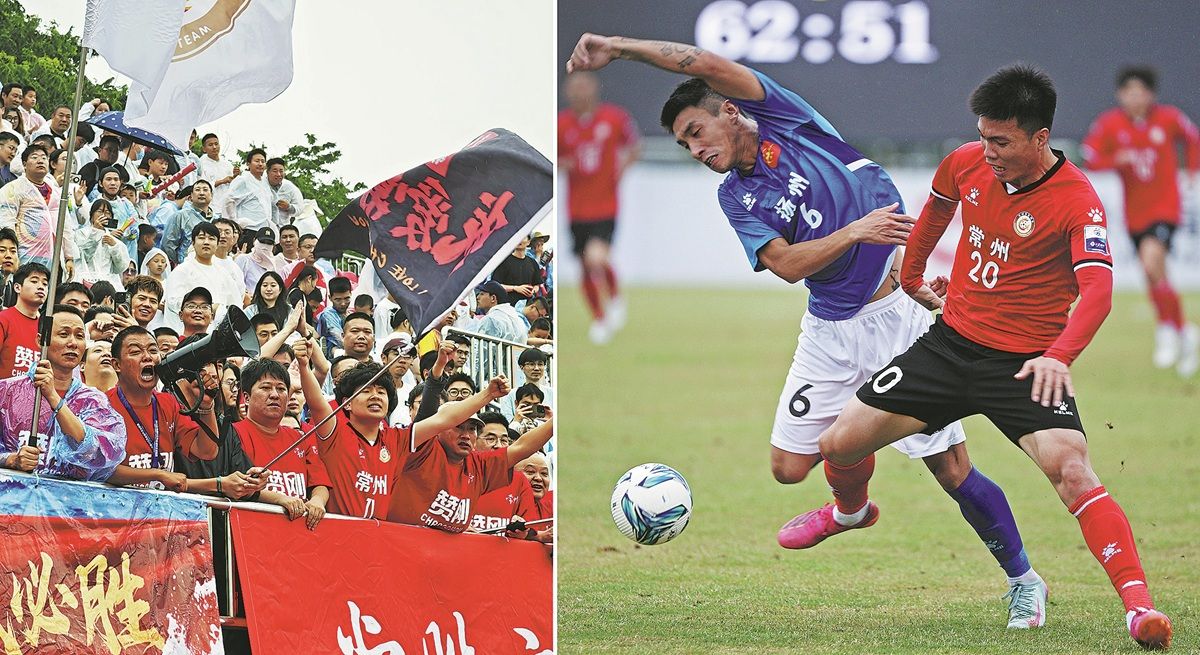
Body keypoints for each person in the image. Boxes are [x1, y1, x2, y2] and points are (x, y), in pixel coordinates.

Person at [568, 33, 1051, 629]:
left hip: (893, 324)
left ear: (730, 110)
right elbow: (788, 266)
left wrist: (618, 47)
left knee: (950, 470)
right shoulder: (736, 195)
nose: (693, 148)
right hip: (827, 328)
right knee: (788, 468)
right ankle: (852, 511)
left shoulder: (786, 119)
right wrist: (856, 232)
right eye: (681, 143)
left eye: (695, 131)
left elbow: (702, 61)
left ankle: (1024, 581)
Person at [788, 65, 1170, 649]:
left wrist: (1060, 356)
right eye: (983, 136)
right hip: (948, 347)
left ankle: (1139, 610)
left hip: (1027, 365)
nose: (986, 151)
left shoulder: (1077, 201)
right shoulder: (967, 161)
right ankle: (849, 513)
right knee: (838, 445)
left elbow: (1098, 291)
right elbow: (936, 212)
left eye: (1001, 141)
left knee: (1071, 471)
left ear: (1040, 138)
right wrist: (913, 278)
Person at [1081, 66, 1200, 378]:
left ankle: (1167, 329)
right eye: (1128, 92)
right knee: (1154, 276)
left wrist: (1192, 171)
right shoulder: (1111, 124)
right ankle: (1184, 331)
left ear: (1151, 95)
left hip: (1166, 208)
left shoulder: (1169, 118)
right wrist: (1114, 161)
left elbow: (1193, 138)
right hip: (1135, 214)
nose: (1135, 98)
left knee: (1151, 263)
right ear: (1121, 95)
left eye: (1140, 92)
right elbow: (1091, 156)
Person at [0, 305, 125, 481]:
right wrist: (10, 459)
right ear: (41, 340)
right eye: (64, 334)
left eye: (80, 336)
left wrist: (53, 397)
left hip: (71, 506)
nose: (73, 343)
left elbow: (102, 452)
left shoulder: (93, 400)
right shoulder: (6, 392)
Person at [559, 71, 639, 344]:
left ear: (594, 90)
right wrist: (564, 164)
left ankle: (614, 297)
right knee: (584, 265)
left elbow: (634, 147)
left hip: (606, 205)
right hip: (576, 209)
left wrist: (621, 170)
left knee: (597, 258)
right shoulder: (562, 124)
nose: (579, 93)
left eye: (584, 87)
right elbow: (556, 158)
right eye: (574, 89)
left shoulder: (614, 118)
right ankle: (599, 318)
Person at [104, 326, 220, 491]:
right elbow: (102, 469)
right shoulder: (102, 405)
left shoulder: (168, 403)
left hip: (160, 512)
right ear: (116, 364)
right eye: (135, 352)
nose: (147, 357)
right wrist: (158, 475)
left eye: (153, 350)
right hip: (117, 511)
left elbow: (206, 452)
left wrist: (207, 407)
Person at [232, 358, 331, 530]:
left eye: (281, 389)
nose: (275, 395)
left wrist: (318, 501)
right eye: (265, 388)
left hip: (298, 538)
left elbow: (320, 483)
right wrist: (279, 499)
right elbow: (236, 486)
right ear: (246, 397)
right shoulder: (233, 433)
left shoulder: (300, 438)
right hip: (251, 534)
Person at [0, 145, 78, 275]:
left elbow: (65, 226)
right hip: (24, 254)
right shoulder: (13, 188)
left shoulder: (57, 193)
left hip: (53, 257)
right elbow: (6, 223)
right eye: (34, 157)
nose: (40, 161)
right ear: (24, 164)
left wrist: (69, 257)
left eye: (44, 158)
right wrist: (11, 254)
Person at [163, 221, 246, 331]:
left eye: (211, 239)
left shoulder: (224, 274)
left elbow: (236, 306)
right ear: (193, 242)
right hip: (186, 334)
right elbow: (174, 302)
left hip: (217, 335)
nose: (206, 242)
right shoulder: (182, 271)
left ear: (217, 244)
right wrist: (206, 309)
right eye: (202, 238)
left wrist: (220, 311)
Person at [0, 262, 47, 377]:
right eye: (34, 281)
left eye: (45, 284)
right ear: (17, 287)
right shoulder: (3, 319)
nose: (41, 287)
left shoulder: (47, 327)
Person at [75, 198, 131, 288]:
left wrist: (114, 247)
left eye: (107, 213)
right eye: (100, 211)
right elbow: (84, 257)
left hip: (107, 284)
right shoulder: (81, 233)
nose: (104, 215)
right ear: (92, 215)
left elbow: (121, 267)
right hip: (85, 281)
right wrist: (96, 232)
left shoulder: (114, 240)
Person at [225, 148, 272, 241]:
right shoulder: (243, 179)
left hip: (264, 229)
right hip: (248, 229)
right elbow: (229, 200)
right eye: (257, 161)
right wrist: (235, 222)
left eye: (263, 161)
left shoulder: (265, 182)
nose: (260, 164)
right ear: (248, 163)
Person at [196, 133, 238, 217]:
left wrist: (235, 177)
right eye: (210, 145)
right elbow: (201, 185)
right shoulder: (200, 163)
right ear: (204, 149)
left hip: (227, 207)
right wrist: (222, 181)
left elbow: (233, 185)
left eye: (216, 144)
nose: (214, 147)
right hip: (211, 206)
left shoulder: (227, 164)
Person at [315, 275, 353, 358]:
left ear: (351, 294)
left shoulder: (351, 313)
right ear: (330, 298)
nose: (343, 303)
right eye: (338, 300)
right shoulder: (327, 315)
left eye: (347, 298)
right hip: (331, 356)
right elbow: (339, 339)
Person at [266, 158, 303, 229]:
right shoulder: (261, 184)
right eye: (275, 171)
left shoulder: (290, 187)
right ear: (267, 172)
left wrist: (289, 207)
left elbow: (299, 208)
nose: (278, 174)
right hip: (263, 226)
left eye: (281, 171)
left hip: (282, 227)